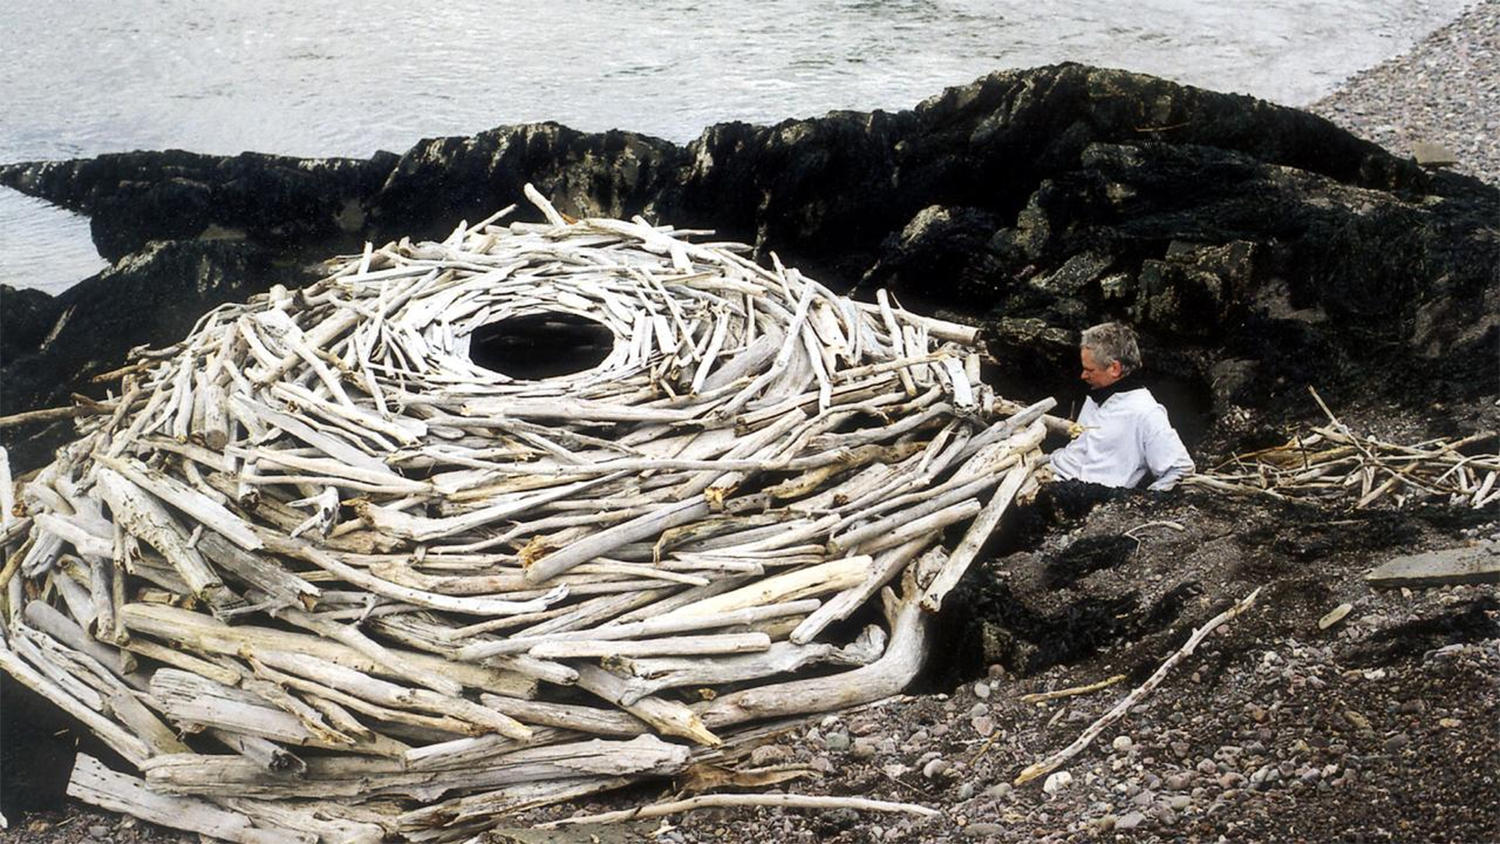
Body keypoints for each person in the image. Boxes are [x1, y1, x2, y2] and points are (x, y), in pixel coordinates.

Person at [1048, 322, 1194, 491]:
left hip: (1085, 495)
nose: (1083, 375)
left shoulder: (1146, 412)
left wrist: (1142, 502)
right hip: (1050, 473)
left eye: (1090, 370)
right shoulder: (1096, 395)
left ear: (1115, 368)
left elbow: (1180, 468)